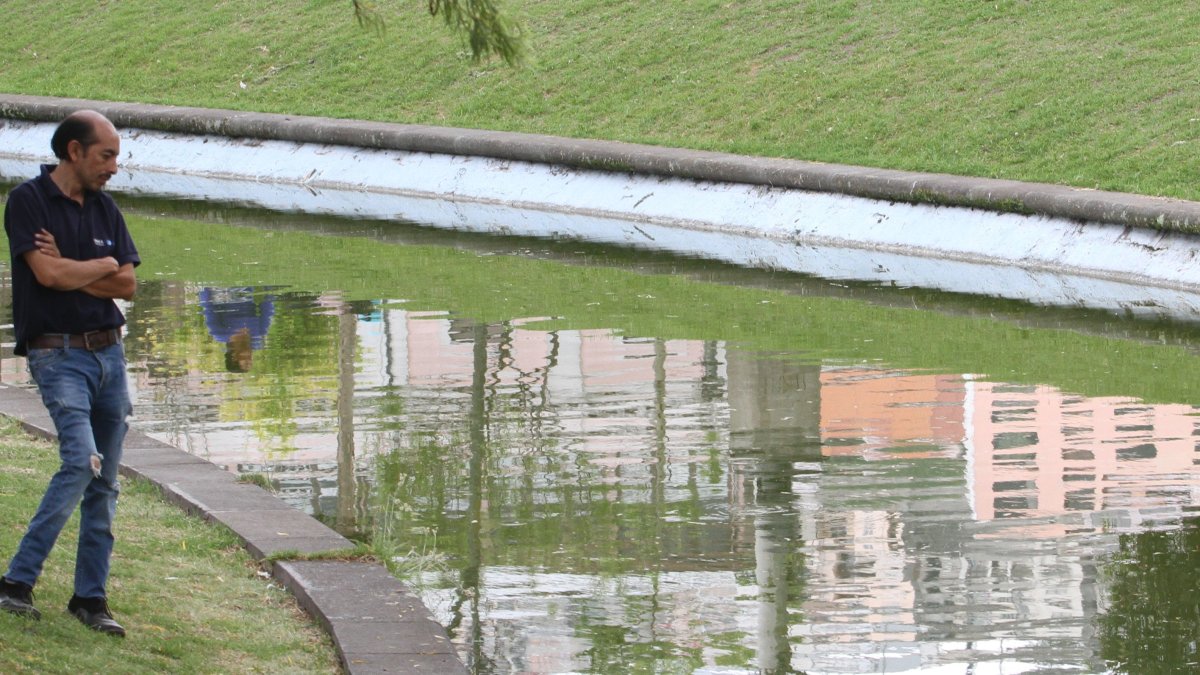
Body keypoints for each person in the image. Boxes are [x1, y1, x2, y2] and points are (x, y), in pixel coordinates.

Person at [0, 110, 139, 637]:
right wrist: (98, 268)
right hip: (58, 355)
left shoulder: (106, 207)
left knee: (105, 484)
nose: (114, 168)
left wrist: (83, 273)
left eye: (117, 157)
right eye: (106, 156)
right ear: (74, 151)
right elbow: (47, 273)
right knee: (82, 462)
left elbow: (126, 285)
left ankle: (90, 598)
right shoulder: (28, 201)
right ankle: (17, 582)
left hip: (111, 356)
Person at [198, 286, 275, 373]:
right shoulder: (259, 333)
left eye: (246, 362)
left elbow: (208, 306)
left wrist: (205, 286)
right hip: (246, 287)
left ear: (233, 357)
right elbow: (268, 307)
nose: (250, 358)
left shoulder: (219, 333)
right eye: (250, 362)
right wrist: (268, 287)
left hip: (221, 289)